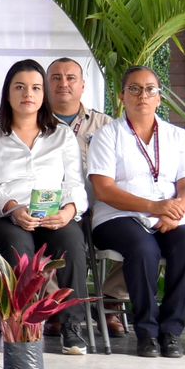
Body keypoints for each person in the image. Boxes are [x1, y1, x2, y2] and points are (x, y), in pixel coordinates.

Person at [0, 59, 90, 356]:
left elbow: (75, 184)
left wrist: (68, 211)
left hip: (54, 215)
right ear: (8, 93)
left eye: (36, 88)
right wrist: (12, 207)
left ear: (44, 94)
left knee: (72, 241)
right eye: (20, 87)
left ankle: (72, 327)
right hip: (6, 216)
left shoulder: (61, 135)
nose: (28, 94)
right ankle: (24, 325)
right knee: (20, 249)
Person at [88, 66, 185, 358]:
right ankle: (147, 332)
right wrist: (153, 207)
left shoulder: (177, 136)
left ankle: (171, 331)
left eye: (150, 89)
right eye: (134, 89)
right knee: (143, 249)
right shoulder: (107, 135)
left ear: (159, 98)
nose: (143, 95)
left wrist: (175, 212)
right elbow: (104, 189)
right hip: (118, 216)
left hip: (170, 214)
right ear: (122, 96)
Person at [47, 56, 126, 340]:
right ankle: (57, 306)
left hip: (102, 209)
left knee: (144, 239)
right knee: (46, 240)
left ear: (82, 86)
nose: (63, 83)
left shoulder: (107, 126)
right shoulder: (34, 122)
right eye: (56, 78)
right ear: (46, 85)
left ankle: (111, 301)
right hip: (56, 210)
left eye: (71, 78)